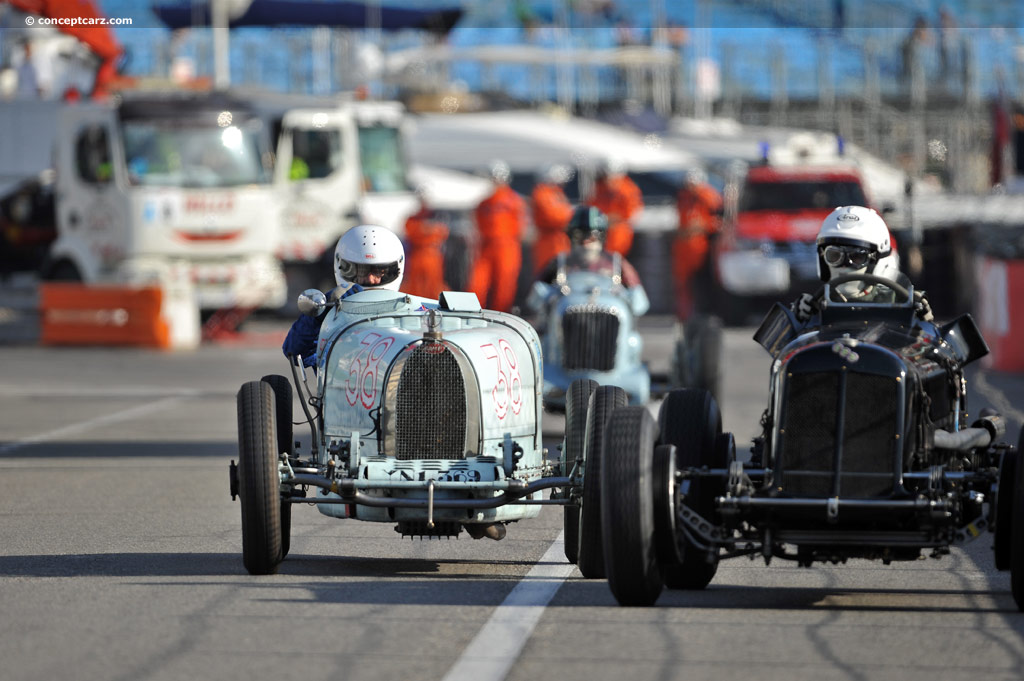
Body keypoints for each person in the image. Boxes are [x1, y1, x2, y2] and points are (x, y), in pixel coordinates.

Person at [282, 224, 407, 368]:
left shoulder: (409, 309)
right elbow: (295, 352)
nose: (372, 279)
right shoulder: (330, 310)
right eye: (363, 271)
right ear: (343, 267)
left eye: (380, 271)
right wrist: (320, 314)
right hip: (341, 383)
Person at [792, 205, 932, 325]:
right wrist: (799, 318)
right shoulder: (815, 306)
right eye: (834, 256)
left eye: (857, 257)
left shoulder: (900, 301)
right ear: (823, 259)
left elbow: (923, 344)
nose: (844, 266)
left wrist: (920, 316)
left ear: (876, 260)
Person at [536, 205, 643, 290]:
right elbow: (536, 298)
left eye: (592, 237)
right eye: (579, 236)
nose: (586, 242)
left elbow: (638, 300)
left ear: (602, 237)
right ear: (570, 237)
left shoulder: (616, 264)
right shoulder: (558, 265)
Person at [469, 160, 527, 312]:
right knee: (478, 281)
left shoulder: (514, 200)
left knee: (504, 283)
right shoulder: (485, 203)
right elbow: (478, 222)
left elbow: (521, 224)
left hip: (507, 245)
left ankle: (501, 312)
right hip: (487, 245)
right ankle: (472, 311)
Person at [673, 168, 722, 321]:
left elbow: (718, 220)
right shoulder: (683, 197)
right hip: (684, 244)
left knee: (702, 280)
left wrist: (702, 226)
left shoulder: (707, 196)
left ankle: (705, 311)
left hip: (701, 244)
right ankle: (686, 313)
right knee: (683, 282)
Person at [587, 157, 643, 257]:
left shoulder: (627, 189)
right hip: (600, 231)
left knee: (614, 257)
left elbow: (632, 213)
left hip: (618, 231)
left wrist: (612, 218)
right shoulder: (600, 188)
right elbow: (591, 207)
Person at [402, 189, 450, 299]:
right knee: (415, 286)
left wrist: (425, 230)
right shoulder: (413, 218)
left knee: (433, 285)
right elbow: (410, 233)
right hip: (417, 255)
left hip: (432, 255)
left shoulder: (437, 216)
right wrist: (426, 230)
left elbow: (442, 233)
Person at [530, 163, 574, 276]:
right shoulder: (542, 193)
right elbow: (552, 217)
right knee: (548, 272)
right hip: (549, 241)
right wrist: (570, 221)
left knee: (564, 271)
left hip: (561, 240)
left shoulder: (557, 193)